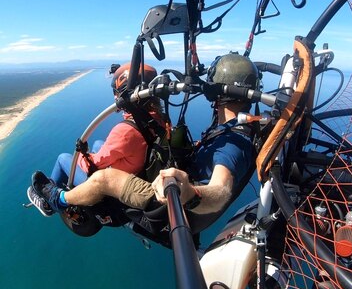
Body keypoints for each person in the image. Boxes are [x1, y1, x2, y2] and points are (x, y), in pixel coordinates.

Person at [29, 53, 258, 237]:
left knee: (95, 173)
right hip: (170, 189)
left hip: (172, 204)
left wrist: (190, 193)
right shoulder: (229, 130)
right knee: (100, 144)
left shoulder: (232, 144)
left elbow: (221, 190)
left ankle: (55, 200)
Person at [27, 62, 164, 216]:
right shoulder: (158, 119)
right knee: (99, 143)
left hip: (112, 188)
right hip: (137, 170)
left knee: (63, 158)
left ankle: (49, 202)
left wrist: (81, 155)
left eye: (117, 92)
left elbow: (92, 166)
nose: (115, 96)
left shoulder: (126, 131)